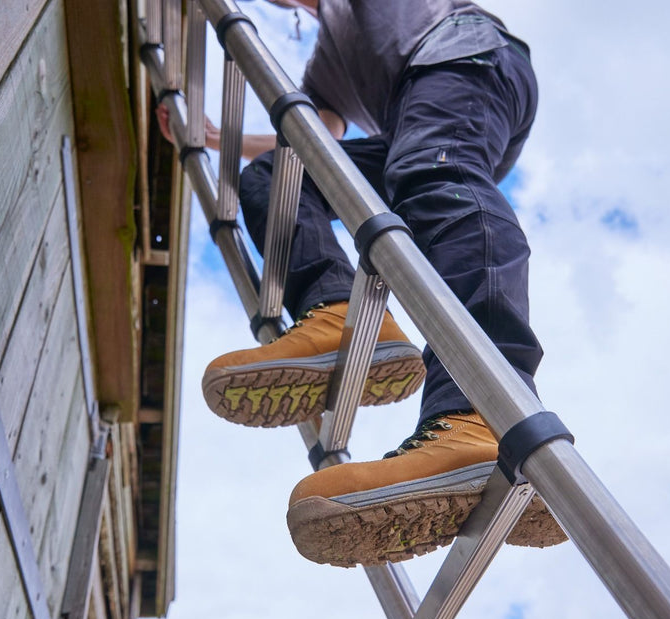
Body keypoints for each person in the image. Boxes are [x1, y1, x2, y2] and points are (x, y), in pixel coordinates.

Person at [161, 0, 566, 567]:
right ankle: (339, 317)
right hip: (415, 122)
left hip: (464, 62)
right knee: (281, 175)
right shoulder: (330, 53)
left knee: (437, 170)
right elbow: (316, 132)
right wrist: (215, 137)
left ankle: (482, 411)